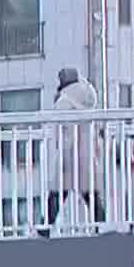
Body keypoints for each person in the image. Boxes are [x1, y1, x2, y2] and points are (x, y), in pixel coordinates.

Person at [41, 67, 105, 236]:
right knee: (90, 194)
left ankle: (46, 227)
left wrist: (61, 152)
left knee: (57, 193)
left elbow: (64, 130)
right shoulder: (89, 99)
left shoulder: (64, 101)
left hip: (69, 154)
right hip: (86, 153)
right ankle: (103, 225)